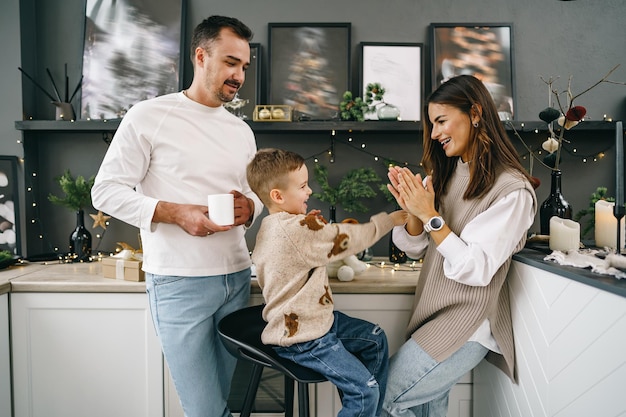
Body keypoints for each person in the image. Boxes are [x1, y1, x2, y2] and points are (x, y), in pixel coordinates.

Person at [91, 16, 263, 417]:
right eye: (230, 63)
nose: (239, 76)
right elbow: (106, 190)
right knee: (205, 409)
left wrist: (251, 206)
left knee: (228, 404)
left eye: (244, 67)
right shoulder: (148, 115)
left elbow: (254, 192)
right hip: (178, 284)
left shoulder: (241, 131)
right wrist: (174, 212)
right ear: (201, 57)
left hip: (237, 279)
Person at [381, 75, 537, 417]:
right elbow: (415, 247)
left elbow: (475, 268)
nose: (434, 134)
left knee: (381, 400)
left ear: (475, 113)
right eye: (432, 124)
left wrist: (430, 214)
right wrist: (413, 212)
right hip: (432, 317)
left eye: (440, 121)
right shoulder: (449, 174)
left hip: (466, 327)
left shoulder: (512, 190)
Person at [247, 148, 407, 417]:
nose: (309, 191)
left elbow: (298, 253)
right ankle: (365, 406)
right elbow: (346, 237)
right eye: (302, 186)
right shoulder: (295, 231)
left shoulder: (275, 225)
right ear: (278, 196)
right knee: (365, 389)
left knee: (374, 339)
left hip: (316, 322)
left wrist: (308, 225)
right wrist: (389, 220)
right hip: (303, 338)